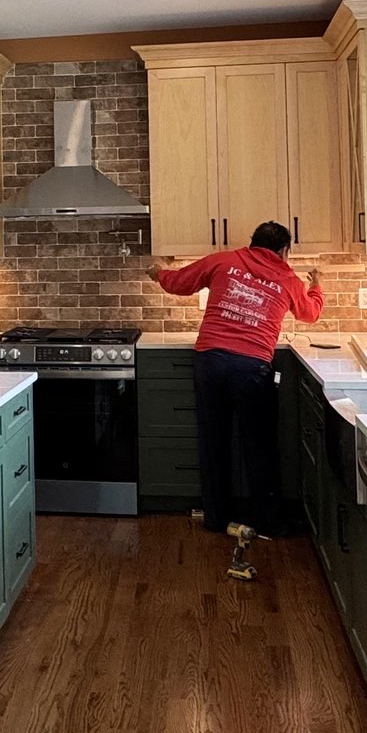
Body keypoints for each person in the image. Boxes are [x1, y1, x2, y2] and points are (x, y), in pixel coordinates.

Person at [148, 223, 324, 534]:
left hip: (210, 361)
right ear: (285, 251)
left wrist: (159, 273)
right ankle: (268, 522)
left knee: (213, 442)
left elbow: (180, 282)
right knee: (259, 446)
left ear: (252, 243)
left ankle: (216, 519)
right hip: (251, 367)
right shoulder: (287, 279)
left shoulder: (223, 261)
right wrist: (317, 287)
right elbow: (309, 314)